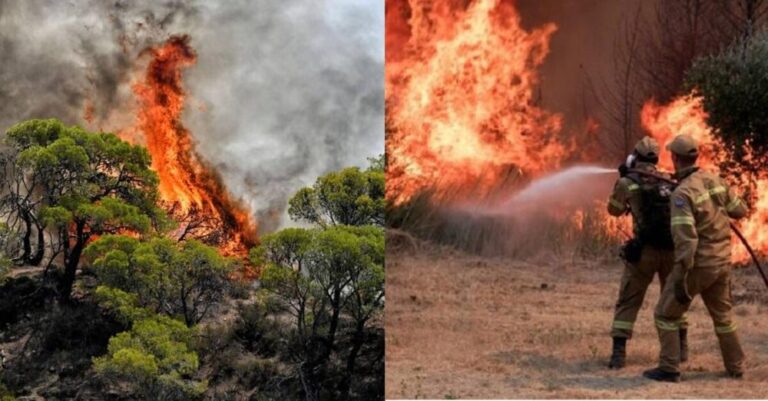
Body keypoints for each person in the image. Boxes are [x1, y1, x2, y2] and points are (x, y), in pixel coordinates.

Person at [643, 134, 748, 382]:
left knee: (666, 313)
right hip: (722, 262)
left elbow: (686, 239)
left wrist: (680, 276)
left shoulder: (683, 194)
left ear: (676, 158)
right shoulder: (715, 181)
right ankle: (736, 367)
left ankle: (669, 368)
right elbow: (740, 210)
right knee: (724, 319)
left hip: (698, 265)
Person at [606, 136, 687, 369]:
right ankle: (681, 350)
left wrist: (622, 179)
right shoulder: (668, 180)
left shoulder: (628, 183)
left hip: (644, 252)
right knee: (673, 300)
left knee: (629, 300)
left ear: (635, 157)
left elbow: (614, 210)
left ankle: (618, 355)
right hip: (672, 251)